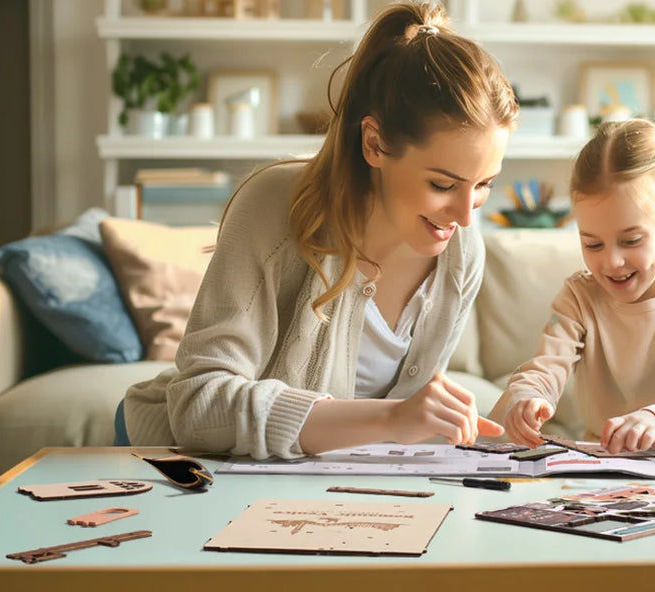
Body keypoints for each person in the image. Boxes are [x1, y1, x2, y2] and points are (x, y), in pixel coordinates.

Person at [117, 2, 517, 459]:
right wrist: (391, 419)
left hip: (313, 475)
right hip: (174, 459)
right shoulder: (274, 203)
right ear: (374, 144)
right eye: (442, 185)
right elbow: (199, 406)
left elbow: (395, 436)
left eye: (483, 184)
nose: (465, 215)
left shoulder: (461, 252)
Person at [491, 119, 655, 454]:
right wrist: (527, 398)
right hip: (602, 465)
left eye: (631, 240)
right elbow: (545, 368)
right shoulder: (579, 297)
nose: (612, 262)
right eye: (592, 244)